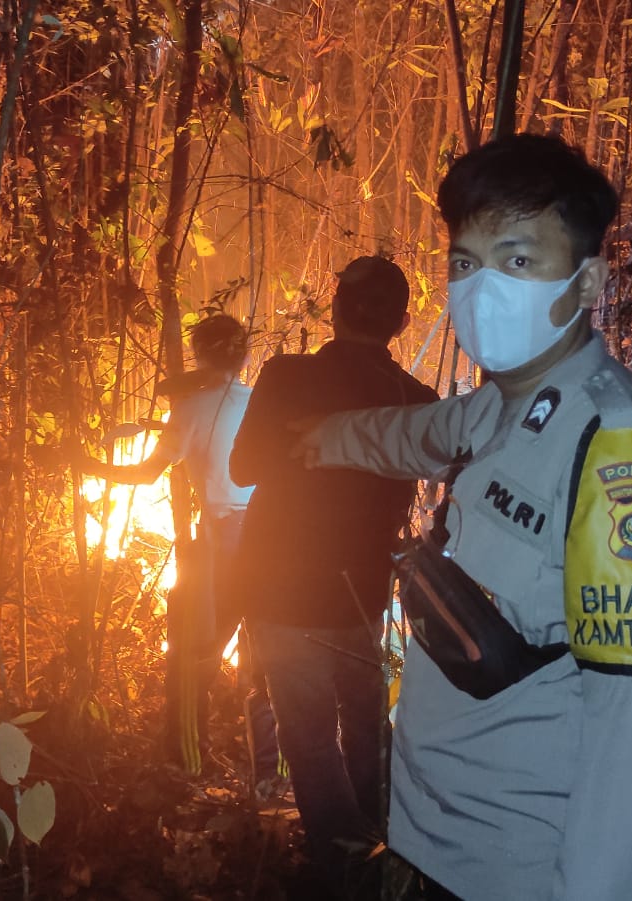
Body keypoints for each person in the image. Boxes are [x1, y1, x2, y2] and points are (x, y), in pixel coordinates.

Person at [296, 134, 632, 900]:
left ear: (588, 283)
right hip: (424, 844)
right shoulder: (498, 408)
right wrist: (320, 440)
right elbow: (409, 435)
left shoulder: (622, 461)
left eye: (517, 260)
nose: (483, 287)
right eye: (466, 261)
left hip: (510, 875)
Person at [229, 256, 439, 896]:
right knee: (366, 719)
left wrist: (307, 443)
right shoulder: (417, 400)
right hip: (361, 592)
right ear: (402, 323)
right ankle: (384, 841)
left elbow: (242, 468)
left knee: (311, 734)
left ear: (333, 308)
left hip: (282, 584)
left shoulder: (289, 376)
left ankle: (346, 865)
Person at [79, 313, 279, 789]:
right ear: (245, 354)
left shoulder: (189, 410)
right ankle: (274, 776)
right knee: (266, 661)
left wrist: (83, 463)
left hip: (222, 546)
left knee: (192, 657)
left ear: (199, 355)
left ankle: (187, 767)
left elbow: (147, 473)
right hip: (271, 543)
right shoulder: (262, 403)